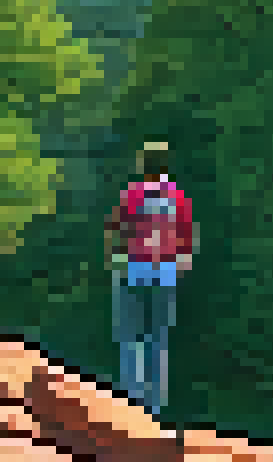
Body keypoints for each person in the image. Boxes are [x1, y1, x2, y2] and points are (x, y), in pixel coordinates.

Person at [104, 141, 193, 418]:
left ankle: (133, 401)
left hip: (135, 268)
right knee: (159, 338)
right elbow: (186, 237)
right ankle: (155, 407)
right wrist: (181, 263)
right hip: (165, 270)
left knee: (131, 336)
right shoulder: (177, 196)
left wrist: (112, 258)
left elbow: (115, 229)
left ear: (143, 165)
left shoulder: (132, 194)